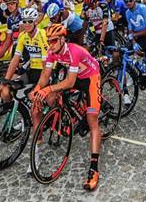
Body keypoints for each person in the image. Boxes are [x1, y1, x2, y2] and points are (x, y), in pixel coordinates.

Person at [31, 24, 103, 191]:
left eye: (54, 40)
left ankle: (94, 168)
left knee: (92, 120)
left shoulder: (74, 51)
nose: (50, 44)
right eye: (48, 41)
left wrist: (48, 88)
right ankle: (65, 116)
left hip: (90, 78)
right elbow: (45, 76)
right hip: (74, 75)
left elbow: (69, 83)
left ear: (63, 39)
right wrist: (37, 89)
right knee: (50, 97)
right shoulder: (51, 51)